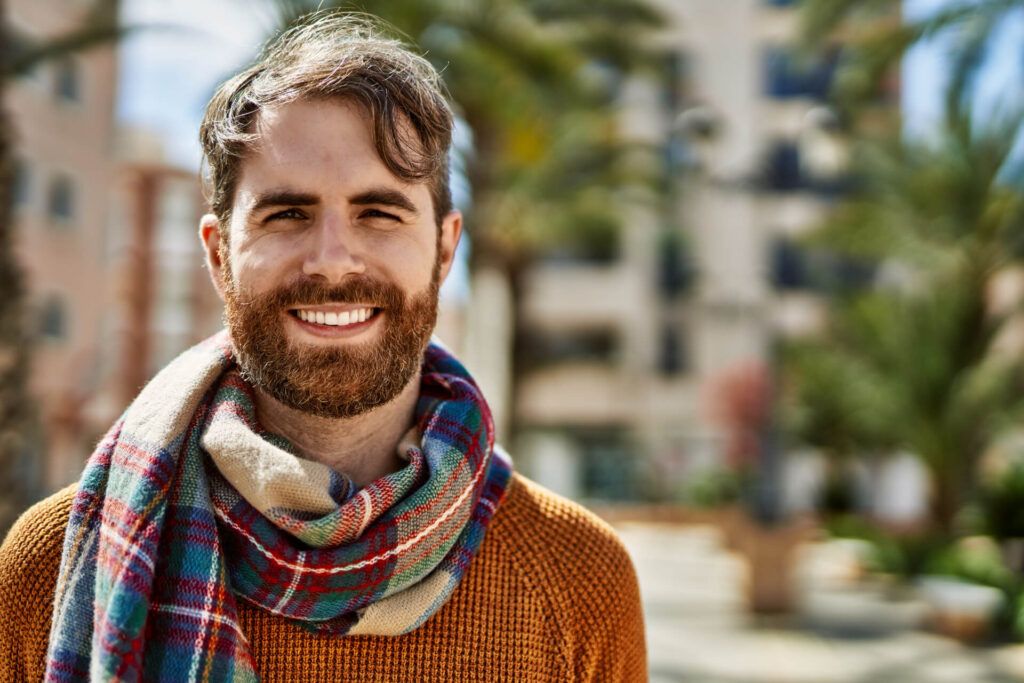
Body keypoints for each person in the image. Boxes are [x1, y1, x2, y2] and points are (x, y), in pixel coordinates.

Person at [0, 12, 646, 682]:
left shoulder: (580, 579)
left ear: (446, 249)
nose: (333, 261)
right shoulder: (51, 567)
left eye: (379, 212)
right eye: (287, 214)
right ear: (219, 255)